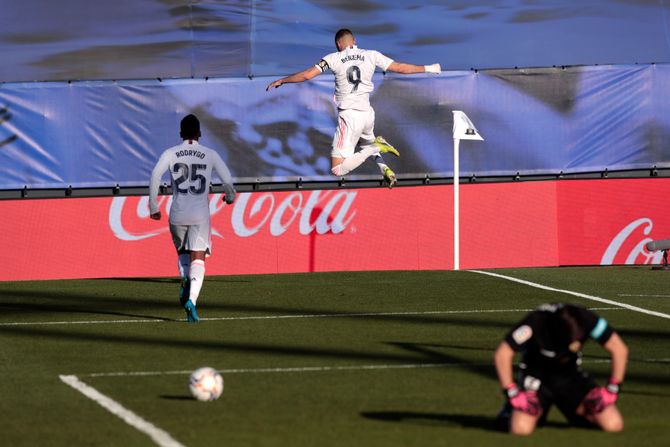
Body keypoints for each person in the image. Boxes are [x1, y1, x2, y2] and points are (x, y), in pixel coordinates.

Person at [266, 28, 441, 188]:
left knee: (338, 169)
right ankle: (385, 169)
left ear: (337, 44)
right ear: (354, 41)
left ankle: (376, 147)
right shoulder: (371, 54)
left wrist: (283, 80)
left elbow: (307, 75)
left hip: (349, 116)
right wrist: (429, 68)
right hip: (367, 114)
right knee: (367, 143)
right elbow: (401, 68)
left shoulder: (332, 58)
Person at [149, 114, 236, 323]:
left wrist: (153, 205)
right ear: (200, 134)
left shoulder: (170, 153)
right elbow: (227, 180)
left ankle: (185, 279)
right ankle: (192, 301)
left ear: (180, 134)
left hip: (177, 213)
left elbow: (155, 175)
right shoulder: (210, 154)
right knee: (199, 258)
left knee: (183, 254)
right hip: (199, 215)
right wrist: (230, 196)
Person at [493, 303, 628, 435]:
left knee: (613, 424)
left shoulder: (587, 318)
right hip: (536, 379)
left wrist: (612, 389)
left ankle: (577, 413)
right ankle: (510, 410)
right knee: (520, 429)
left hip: (570, 378)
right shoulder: (536, 321)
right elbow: (503, 353)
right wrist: (512, 392)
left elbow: (618, 348)